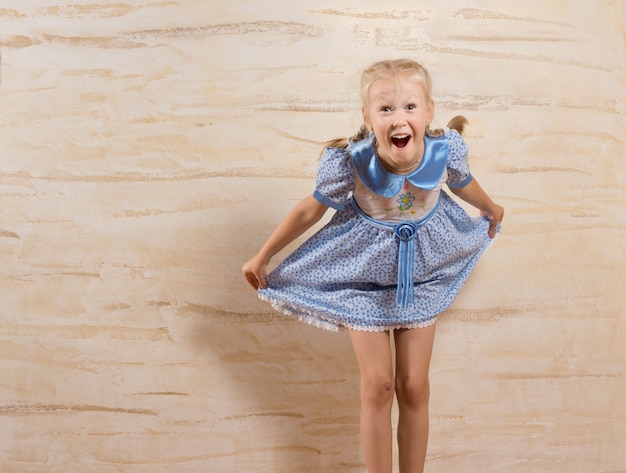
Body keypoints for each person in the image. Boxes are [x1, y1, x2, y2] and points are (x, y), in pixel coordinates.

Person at [242, 58, 504, 473]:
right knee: (380, 385)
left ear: (429, 111)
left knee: (414, 385)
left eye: (409, 107)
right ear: (367, 116)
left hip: (424, 273)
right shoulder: (350, 160)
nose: (399, 118)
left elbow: (462, 182)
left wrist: (491, 208)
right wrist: (264, 254)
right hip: (361, 278)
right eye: (385, 109)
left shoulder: (444, 150)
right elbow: (311, 210)